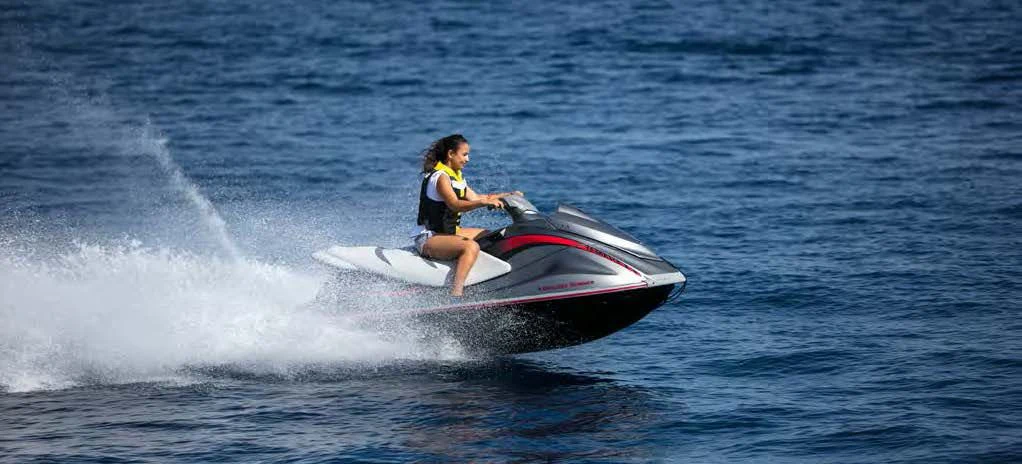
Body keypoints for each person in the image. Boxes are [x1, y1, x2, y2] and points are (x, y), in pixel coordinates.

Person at [413, 134, 522, 296]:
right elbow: (455, 204)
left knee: (489, 235)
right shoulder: (440, 177)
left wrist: (507, 195)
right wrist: (483, 203)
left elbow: (478, 198)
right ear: (451, 154)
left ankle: (493, 277)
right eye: (464, 154)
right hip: (429, 237)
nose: (468, 159)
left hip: (449, 233)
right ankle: (456, 293)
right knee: (471, 246)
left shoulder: (456, 176)